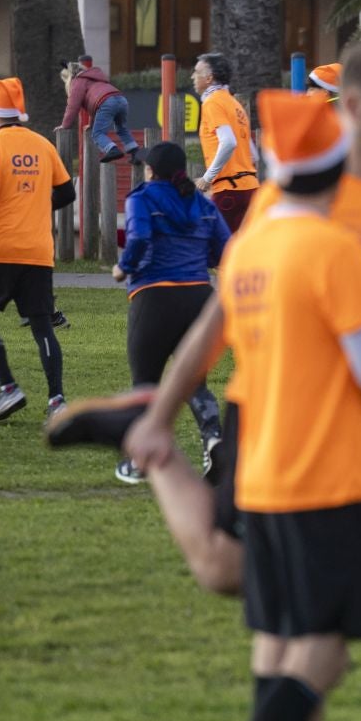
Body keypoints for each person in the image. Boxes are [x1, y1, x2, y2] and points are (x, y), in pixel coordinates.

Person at [57, 88, 361, 721]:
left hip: (266, 460)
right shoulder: (332, 248)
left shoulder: (255, 245)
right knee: (325, 651)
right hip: (326, 468)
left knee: (275, 636)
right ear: (339, 167)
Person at [49, 42, 361, 617]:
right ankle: (148, 437)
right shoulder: (290, 195)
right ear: (355, 104)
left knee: (247, 584)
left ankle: (144, 437)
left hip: (347, 428)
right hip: (272, 413)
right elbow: (223, 313)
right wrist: (165, 411)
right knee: (276, 603)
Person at [110, 141, 231, 484]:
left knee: (145, 383)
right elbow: (226, 250)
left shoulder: (141, 198)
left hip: (155, 297)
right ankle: (214, 440)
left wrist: (123, 268)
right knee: (192, 380)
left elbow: (139, 241)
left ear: (150, 170)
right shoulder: (202, 204)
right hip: (200, 299)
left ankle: (139, 460)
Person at [0, 77, 75, 423]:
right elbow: (66, 194)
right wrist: (34, 205)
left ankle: (8, 388)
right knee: (42, 325)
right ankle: (57, 400)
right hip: (37, 250)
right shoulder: (43, 144)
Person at [194, 52, 259, 231]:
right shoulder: (235, 104)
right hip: (250, 188)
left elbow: (229, 142)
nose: (193, 77)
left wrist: (208, 178)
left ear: (209, 78)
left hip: (229, 190)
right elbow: (253, 154)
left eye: (196, 72)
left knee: (216, 249)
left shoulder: (212, 103)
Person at [61, 54, 140, 162]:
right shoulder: (96, 78)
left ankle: (112, 149)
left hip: (106, 102)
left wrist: (65, 125)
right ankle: (134, 153)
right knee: (121, 128)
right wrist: (92, 124)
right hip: (121, 100)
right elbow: (96, 106)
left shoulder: (77, 81)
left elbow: (73, 106)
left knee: (97, 134)